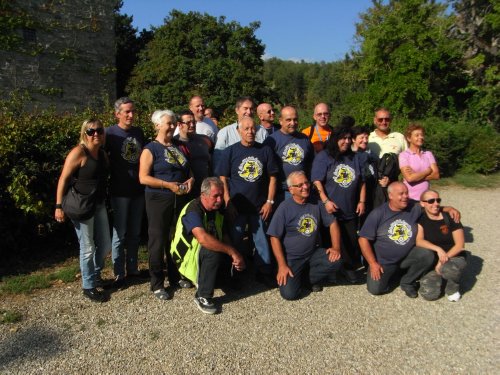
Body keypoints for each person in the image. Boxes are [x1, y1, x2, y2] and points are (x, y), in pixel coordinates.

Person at [139, 110, 194, 300]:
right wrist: (167, 185)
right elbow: (143, 177)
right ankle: (157, 283)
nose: (172, 126)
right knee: (158, 240)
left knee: (175, 238)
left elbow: (188, 169)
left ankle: (175, 276)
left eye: (173, 123)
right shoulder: (150, 149)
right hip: (158, 198)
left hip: (179, 198)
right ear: (157, 126)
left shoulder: (178, 146)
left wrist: (191, 180)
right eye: (168, 123)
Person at [215, 117, 278, 284]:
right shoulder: (230, 151)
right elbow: (223, 178)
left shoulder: (265, 150)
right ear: (239, 131)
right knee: (234, 240)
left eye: (253, 129)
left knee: (262, 241)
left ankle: (264, 272)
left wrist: (269, 202)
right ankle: (233, 274)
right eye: (246, 129)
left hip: (259, 207)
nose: (250, 132)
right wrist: (228, 202)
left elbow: (273, 178)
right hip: (237, 207)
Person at [170, 177, 246, 314]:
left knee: (230, 246)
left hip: (199, 254)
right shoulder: (193, 210)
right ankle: (202, 296)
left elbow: (223, 234)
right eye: (215, 196)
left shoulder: (217, 209)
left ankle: (225, 278)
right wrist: (231, 252)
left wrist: (235, 253)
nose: (219, 200)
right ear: (203, 195)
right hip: (186, 259)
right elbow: (203, 239)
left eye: (221, 196)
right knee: (214, 250)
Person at [55, 119, 110, 302]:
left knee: (105, 244)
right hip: (82, 206)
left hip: (99, 204)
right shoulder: (79, 153)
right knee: (87, 248)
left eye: (99, 131)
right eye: (91, 131)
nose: (95, 134)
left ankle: (94, 274)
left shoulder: (102, 154)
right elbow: (63, 179)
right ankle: (88, 285)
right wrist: (58, 206)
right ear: (84, 133)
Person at [267, 171, 343, 300]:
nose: (306, 187)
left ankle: (305, 279)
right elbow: (274, 237)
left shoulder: (316, 202)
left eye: (306, 183)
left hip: (313, 253)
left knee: (336, 261)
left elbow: (333, 223)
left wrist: (336, 247)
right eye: (300, 185)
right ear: (291, 190)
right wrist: (282, 265)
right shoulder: (284, 208)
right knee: (290, 294)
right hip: (292, 258)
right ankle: (299, 278)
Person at [358, 182, 436, 298]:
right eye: (401, 194)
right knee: (375, 289)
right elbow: (363, 239)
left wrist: (449, 209)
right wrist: (373, 263)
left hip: (407, 256)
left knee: (427, 255)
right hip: (384, 262)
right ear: (390, 196)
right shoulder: (378, 213)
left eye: (406, 193)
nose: (405, 196)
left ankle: (407, 281)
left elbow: (431, 206)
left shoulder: (414, 207)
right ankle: (394, 274)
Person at [312, 127, 366, 283]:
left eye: (349, 138)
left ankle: (348, 268)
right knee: (329, 242)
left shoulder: (354, 157)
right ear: (335, 139)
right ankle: (328, 272)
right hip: (329, 208)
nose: (347, 141)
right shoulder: (324, 156)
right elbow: (316, 181)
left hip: (349, 207)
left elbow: (362, 181)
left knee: (350, 240)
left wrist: (362, 201)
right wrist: (325, 201)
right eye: (343, 138)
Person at [106, 97, 145, 288]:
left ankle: (133, 268)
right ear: (117, 114)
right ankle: (118, 272)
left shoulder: (138, 132)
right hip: (120, 191)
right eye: (127, 111)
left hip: (138, 189)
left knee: (135, 232)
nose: (131, 115)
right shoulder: (109, 133)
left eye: (133, 111)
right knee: (120, 233)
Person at [417, 190, 467, 302]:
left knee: (449, 268)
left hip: (454, 256)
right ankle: (441, 277)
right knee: (429, 295)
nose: (436, 204)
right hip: (435, 258)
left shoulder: (450, 216)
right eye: (431, 201)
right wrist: (438, 249)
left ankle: (452, 288)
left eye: (438, 200)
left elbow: (460, 245)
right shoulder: (421, 218)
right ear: (422, 203)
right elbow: (419, 241)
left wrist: (442, 260)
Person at [263, 106, 314, 205]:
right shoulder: (271, 141)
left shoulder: (305, 139)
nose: (293, 123)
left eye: (295, 119)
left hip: (303, 191)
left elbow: (311, 163)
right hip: (282, 193)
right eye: (288, 120)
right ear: (281, 121)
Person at [213, 97, 268, 168]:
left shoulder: (262, 132)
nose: (249, 112)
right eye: (245, 108)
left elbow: (268, 156)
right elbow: (218, 160)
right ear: (237, 110)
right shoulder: (225, 132)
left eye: (251, 109)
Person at [174, 109, 212, 197]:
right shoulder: (174, 144)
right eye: (188, 123)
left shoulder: (204, 141)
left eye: (194, 122)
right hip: (186, 190)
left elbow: (209, 162)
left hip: (205, 189)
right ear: (179, 124)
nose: (192, 125)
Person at [351, 125, 385, 217]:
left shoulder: (371, 154)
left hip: (371, 193)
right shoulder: (350, 156)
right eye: (361, 138)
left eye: (366, 137)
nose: (365, 140)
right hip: (356, 195)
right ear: (353, 139)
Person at [399, 124, 439, 202]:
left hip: (426, 199)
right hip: (410, 198)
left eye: (422, 135)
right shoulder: (404, 155)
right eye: (417, 135)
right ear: (409, 138)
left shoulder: (428, 154)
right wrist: (427, 171)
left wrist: (416, 175)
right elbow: (409, 178)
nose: (420, 137)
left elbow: (436, 175)